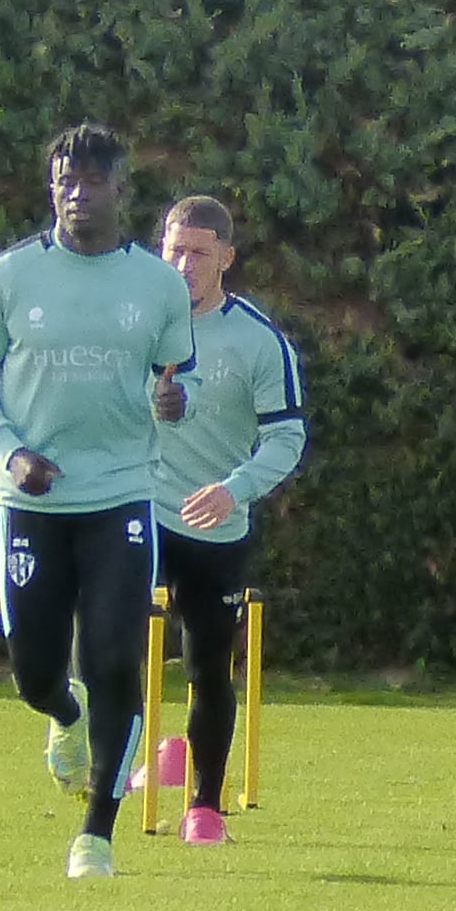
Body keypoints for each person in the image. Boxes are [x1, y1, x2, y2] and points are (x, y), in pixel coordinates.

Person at [0, 122, 197, 881]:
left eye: (92, 180)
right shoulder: (8, 277)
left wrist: (173, 400)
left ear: (122, 189)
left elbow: (176, 381)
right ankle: (64, 714)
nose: (77, 194)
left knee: (117, 655)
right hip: (31, 503)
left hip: (121, 494)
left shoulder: (156, 286)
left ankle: (96, 833)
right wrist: (9, 448)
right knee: (33, 672)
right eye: (64, 181)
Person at [153, 193, 305, 845]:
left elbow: (287, 438)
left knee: (207, 665)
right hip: (139, 507)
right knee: (103, 631)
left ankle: (204, 806)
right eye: (173, 249)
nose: (182, 265)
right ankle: (113, 763)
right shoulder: (136, 324)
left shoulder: (256, 339)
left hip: (213, 524)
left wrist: (234, 489)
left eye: (197, 254)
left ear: (227, 259)